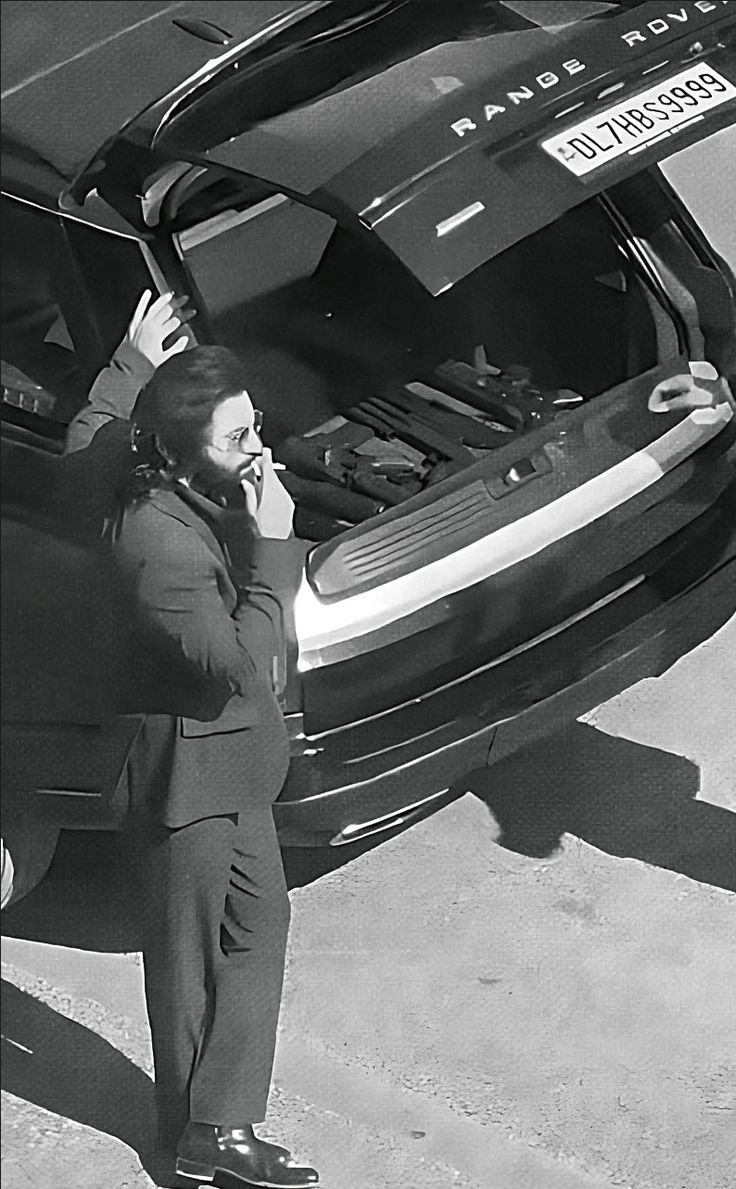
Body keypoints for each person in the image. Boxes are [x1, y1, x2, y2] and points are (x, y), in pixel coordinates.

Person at [64, 293, 318, 1189]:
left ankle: (217, 1124)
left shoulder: (133, 461)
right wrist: (276, 550)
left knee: (256, 926)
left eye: (256, 428)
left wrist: (133, 359)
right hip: (183, 767)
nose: (259, 453)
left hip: (233, 762)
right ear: (175, 450)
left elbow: (88, 433)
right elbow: (233, 665)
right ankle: (194, 1137)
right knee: (187, 962)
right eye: (237, 439)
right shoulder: (157, 545)